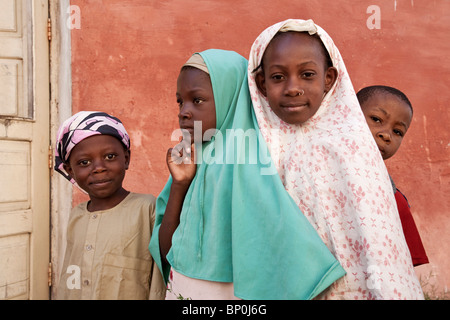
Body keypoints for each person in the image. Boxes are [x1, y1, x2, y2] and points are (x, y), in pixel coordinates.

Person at [248, 19, 424, 299]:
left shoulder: (354, 147)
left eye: (307, 75)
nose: (293, 88)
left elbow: (378, 239)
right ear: (261, 82)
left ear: (329, 78)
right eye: (278, 77)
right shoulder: (256, 145)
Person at [149, 49, 346, 300]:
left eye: (197, 100)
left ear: (231, 96)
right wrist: (179, 184)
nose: (184, 111)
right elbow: (168, 252)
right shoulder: (190, 159)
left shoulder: (255, 163)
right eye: (180, 101)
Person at [54, 111, 166, 300]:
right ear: (70, 171)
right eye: (84, 162)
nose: (99, 167)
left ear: (126, 159)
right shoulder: (77, 215)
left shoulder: (147, 208)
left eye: (110, 156)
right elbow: (70, 273)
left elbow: (161, 270)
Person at [357, 85, 429, 267]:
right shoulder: (317, 171)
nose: (386, 135)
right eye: (376, 119)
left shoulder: (394, 200)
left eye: (397, 132)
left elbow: (403, 266)